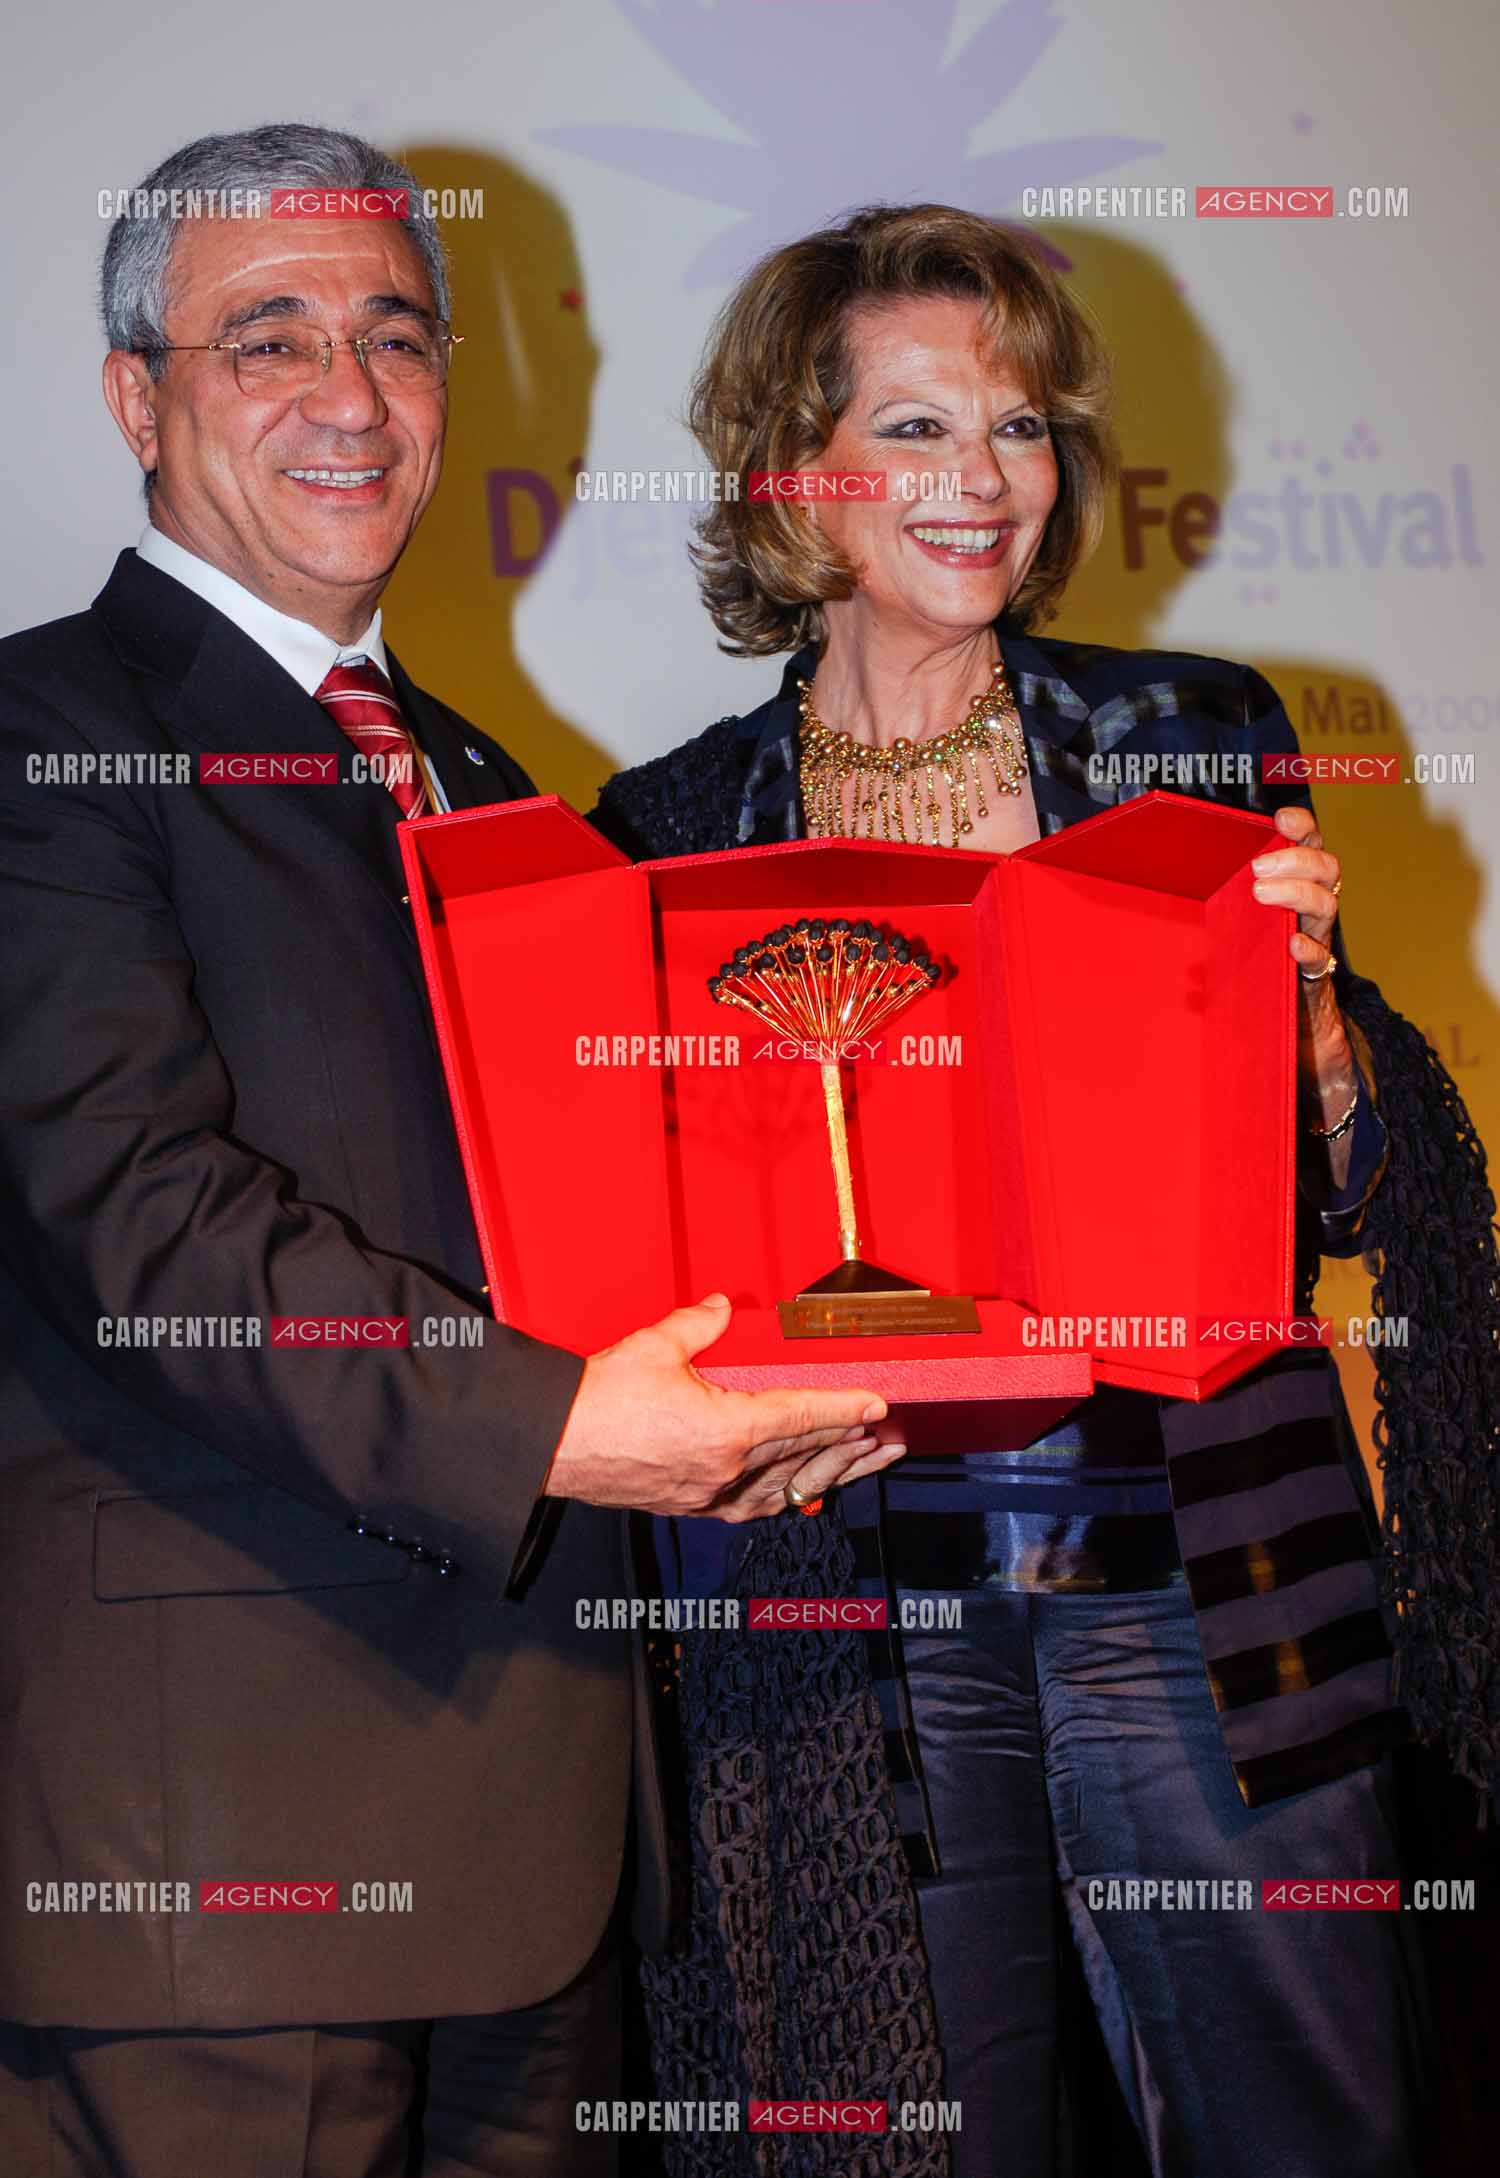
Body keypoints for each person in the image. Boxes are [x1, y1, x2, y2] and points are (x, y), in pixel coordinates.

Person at [0, 126, 901, 2178]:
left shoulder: (490, 783)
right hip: (219, 1861)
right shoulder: (42, 737)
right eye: (270, 340)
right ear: (137, 395)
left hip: (542, 1829)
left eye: (397, 339)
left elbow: (567, 1230)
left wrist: (741, 1401)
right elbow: (143, 1227)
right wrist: (578, 1424)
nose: (349, 394)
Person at [594, 204, 1500, 2178]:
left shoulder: (1190, 742)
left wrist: (1322, 1021)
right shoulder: (664, 836)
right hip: (854, 1616)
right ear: (790, 473)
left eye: (1017, 427)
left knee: (1307, 2136)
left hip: (1204, 1595)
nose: (982, 481)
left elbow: (1351, 1193)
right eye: (913, 430)